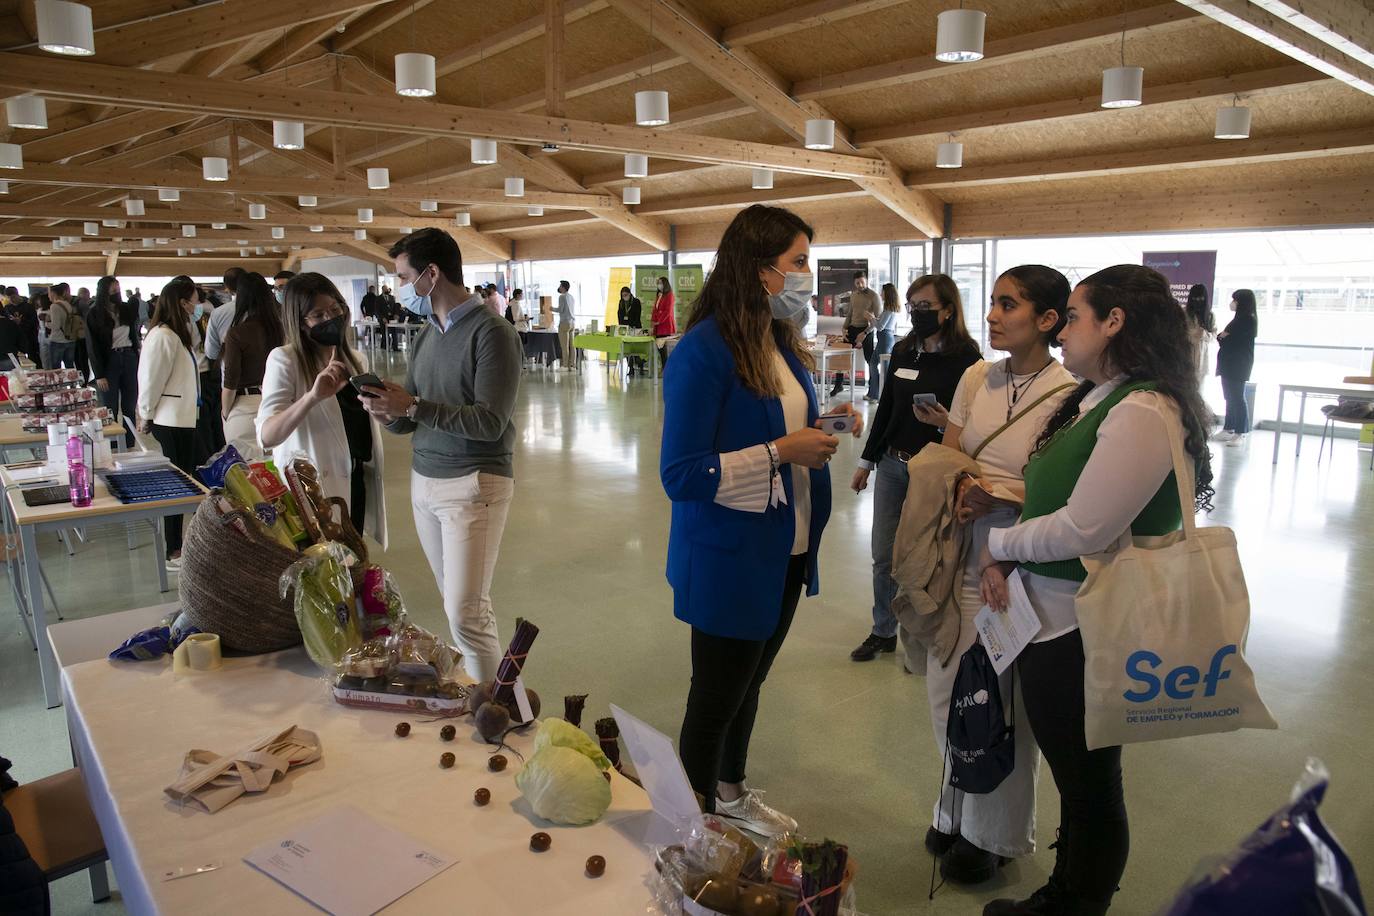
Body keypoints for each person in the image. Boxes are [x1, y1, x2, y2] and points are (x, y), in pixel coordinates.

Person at [978, 264, 1216, 916]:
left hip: (1085, 629)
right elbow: (1063, 500)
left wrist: (1000, 546)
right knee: (1079, 778)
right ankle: (1067, 891)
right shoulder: (1099, 397)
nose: (1063, 333)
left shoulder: (1141, 409)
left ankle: (1074, 901)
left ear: (1115, 322)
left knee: (1089, 788)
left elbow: (1086, 526)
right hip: (1054, 617)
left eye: (1076, 315)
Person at [662, 204, 863, 837]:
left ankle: (729, 791)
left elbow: (788, 427)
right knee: (716, 696)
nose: (808, 275)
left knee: (751, 684)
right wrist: (782, 452)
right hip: (729, 555)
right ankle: (689, 825)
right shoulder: (702, 352)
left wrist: (830, 427)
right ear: (758, 271)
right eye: (798, 263)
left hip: (786, 547)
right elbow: (682, 474)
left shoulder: (779, 345)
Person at [911, 266, 1077, 885]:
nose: (993, 315)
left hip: (1019, 567)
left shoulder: (1069, 395)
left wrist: (999, 496)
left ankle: (995, 836)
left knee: (1000, 703)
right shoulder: (977, 377)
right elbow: (947, 458)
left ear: (1048, 320)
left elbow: (1066, 495)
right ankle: (953, 808)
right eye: (993, 304)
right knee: (944, 685)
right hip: (958, 554)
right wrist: (962, 486)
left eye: (1009, 305)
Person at [361, 228, 522, 683]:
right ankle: (501, 700)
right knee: (461, 610)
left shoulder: (493, 333)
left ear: (432, 274)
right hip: (425, 482)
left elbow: (490, 422)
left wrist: (412, 406)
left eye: (404, 275)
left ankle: (500, 710)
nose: (400, 288)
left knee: (466, 612)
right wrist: (386, 411)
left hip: (473, 484)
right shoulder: (426, 336)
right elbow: (412, 418)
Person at [849, 275, 981, 662]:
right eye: (913, 306)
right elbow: (887, 407)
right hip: (893, 463)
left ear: (948, 310)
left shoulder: (968, 360)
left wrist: (944, 423)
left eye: (926, 307)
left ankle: (924, 634)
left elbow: (973, 425)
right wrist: (867, 461)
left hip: (933, 471)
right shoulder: (906, 350)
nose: (918, 314)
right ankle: (882, 629)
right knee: (883, 554)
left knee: (928, 557)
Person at [257, 273, 386, 541]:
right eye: (318, 315)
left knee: (353, 566)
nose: (330, 319)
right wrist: (312, 398)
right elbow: (267, 435)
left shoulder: (356, 359)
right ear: (302, 323)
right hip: (314, 490)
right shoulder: (285, 360)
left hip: (356, 481)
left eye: (335, 309)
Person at [137, 277, 201, 572]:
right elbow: (151, 378)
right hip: (169, 418)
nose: (197, 305)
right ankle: (172, 549)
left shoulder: (177, 333)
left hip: (183, 416)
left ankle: (178, 545)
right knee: (175, 487)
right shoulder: (162, 335)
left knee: (183, 482)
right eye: (193, 299)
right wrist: (145, 413)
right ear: (180, 302)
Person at [220, 273, 285, 449]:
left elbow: (231, 380)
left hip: (244, 407)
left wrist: (225, 413)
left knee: (244, 473)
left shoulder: (237, 333)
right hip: (277, 406)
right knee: (276, 473)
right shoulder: (282, 330)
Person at [85, 276, 140, 447]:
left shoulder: (125, 309)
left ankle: (129, 441)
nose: (117, 292)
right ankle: (112, 441)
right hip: (109, 360)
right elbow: (92, 346)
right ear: (104, 291)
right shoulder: (94, 313)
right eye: (113, 290)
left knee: (130, 404)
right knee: (109, 406)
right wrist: (99, 374)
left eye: (118, 289)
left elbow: (133, 334)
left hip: (129, 356)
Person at [183, 279, 222, 461]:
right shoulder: (184, 323)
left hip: (206, 374)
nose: (197, 305)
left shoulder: (202, 315)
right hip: (200, 376)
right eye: (195, 301)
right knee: (207, 425)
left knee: (210, 424)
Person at [1214, 288, 1257, 446]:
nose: (1232, 303)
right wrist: (1223, 336)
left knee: (1237, 397)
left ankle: (1240, 431)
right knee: (1229, 396)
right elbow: (1223, 337)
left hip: (1238, 364)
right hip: (1229, 363)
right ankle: (1229, 427)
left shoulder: (1247, 320)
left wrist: (1224, 337)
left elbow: (1229, 339)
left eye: (1235, 300)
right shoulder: (1239, 319)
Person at [833, 271, 879, 397]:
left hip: (866, 330)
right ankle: (839, 385)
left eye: (862, 282)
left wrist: (865, 333)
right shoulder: (853, 295)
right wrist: (844, 327)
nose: (860, 285)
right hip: (852, 328)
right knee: (842, 356)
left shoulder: (874, 296)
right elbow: (849, 314)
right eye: (857, 283)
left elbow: (878, 321)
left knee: (869, 360)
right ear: (854, 283)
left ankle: (873, 389)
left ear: (867, 281)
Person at [204, 266, 246, 366]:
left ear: (227, 289)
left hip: (229, 369)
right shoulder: (264, 309)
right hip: (263, 371)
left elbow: (211, 352)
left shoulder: (218, 313)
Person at [868, 282, 900, 401]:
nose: (881, 294)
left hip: (885, 340)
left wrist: (871, 318)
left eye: (882, 291)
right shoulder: (888, 309)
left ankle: (882, 395)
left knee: (883, 369)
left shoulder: (889, 310)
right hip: (884, 339)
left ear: (887, 293)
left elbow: (881, 326)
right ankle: (875, 394)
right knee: (874, 364)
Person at [1184, 283, 1215, 383]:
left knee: (1199, 389)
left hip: (1202, 357)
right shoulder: (1183, 312)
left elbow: (1213, 335)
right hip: (1185, 355)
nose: (1198, 302)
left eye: (1200, 299)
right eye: (1195, 299)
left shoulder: (1210, 315)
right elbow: (1176, 332)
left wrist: (1204, 334)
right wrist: (1192, 333)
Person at [45, 283, 79, 371]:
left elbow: (56, 326)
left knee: (56, 368)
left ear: (54, 293)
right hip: (70, 338)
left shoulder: (54, 306)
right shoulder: (68, 304)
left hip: (58, 340)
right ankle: (72, 384)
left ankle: (58, 385)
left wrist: (46, 323)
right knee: (70, 366)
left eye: (49, 293)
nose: (48, 296)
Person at [651, 276, 676, 374]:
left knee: (664, 349)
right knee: (660, 349)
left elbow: (668, 311)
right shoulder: (658, 295)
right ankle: (664, 368)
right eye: (658, 283)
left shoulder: (670, 295)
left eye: (660, 283)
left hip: (665, 326)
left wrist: (659, 320)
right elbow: (655, 310)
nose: (659, 285)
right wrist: (653, 320)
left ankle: (666, 370)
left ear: (665, 284)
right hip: (658, 326)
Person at [617, 285, 645, 375]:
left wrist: (632, 325)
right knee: (628, 350)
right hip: (625, 329)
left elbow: (638, 315)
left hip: (635, 328)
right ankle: (631, 368)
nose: (624, 297)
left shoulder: (636, 302)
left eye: (626, 295)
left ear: (629, 294)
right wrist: (622, 326)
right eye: (623, 295)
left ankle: (641, 366)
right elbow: (619, 315)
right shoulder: (621, 302)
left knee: (636, 349)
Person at [556, 280, 576, 371]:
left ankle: (565, 365)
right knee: (572, 345)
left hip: (564, 323)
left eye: (560, 286)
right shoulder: (571, 297)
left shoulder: (562, 297)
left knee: (564, 346)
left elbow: (560, 309)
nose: (559, 287)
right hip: (572, 322)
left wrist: (551, 308)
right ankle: (572, 364)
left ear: (563, 287)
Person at [74, 286, 92, 382]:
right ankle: (85, 379)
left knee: (78, 359)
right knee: (83, 358)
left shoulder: (74, 303)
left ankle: (80, 378)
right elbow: (89, 319)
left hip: (75, 335)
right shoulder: (83, 304)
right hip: (83, 334)